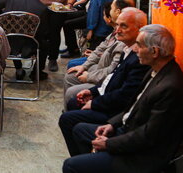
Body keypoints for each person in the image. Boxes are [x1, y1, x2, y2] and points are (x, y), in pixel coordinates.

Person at [62, 24, 183, 173]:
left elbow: (148, 136)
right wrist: (112, 124)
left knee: (70, 165)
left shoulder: (170, 88)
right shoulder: (157, 70)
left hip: (143, 156)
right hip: (129, 130)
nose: (135, 49)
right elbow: (134, 106)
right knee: (79, 129)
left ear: (155, 51)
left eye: (139, 45)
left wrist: (109, 144)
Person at [58, 8, 150, 157]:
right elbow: (113, 76)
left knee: (70, 115)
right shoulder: (128, 48)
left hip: (117, 112)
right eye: (117, 25)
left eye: (123, 26)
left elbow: (125, 95)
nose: (117, 30)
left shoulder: (140, 58)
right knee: (73, 99)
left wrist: (95, 101)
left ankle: (84, 161)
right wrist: (93, 92)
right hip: (106, 89)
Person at [64, 0, 135, 103]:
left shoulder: (124, 41)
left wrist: (89, 76)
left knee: (71, 86)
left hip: (103, 75)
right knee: (72, 72)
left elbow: (112, 71)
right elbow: (101, 48)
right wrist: (84, 66)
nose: (119, 29)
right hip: (99, 67)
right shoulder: (115, 31)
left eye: (111, 8)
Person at [0, 0, 50, 80]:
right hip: (27, 47)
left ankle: (18, 69)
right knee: (46, 42)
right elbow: (43, 33)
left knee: (14, 34)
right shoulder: (42, 9)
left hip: (6, 43)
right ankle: (36, 72)